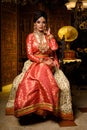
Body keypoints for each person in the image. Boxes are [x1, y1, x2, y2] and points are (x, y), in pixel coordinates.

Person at [6, 10, 73, 120]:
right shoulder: (30, 37)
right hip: (35, 62)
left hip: (49, 62)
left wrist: (50, 36)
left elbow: (55, 48)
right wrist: (42, 61)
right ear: (34, 24)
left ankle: (45, 108)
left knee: (59, 81)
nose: (41, 25)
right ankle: (34, 108)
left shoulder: (48, 36)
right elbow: (29, 55)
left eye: (43, 22)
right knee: (40, 69)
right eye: (38, 22)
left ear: (46, 24)